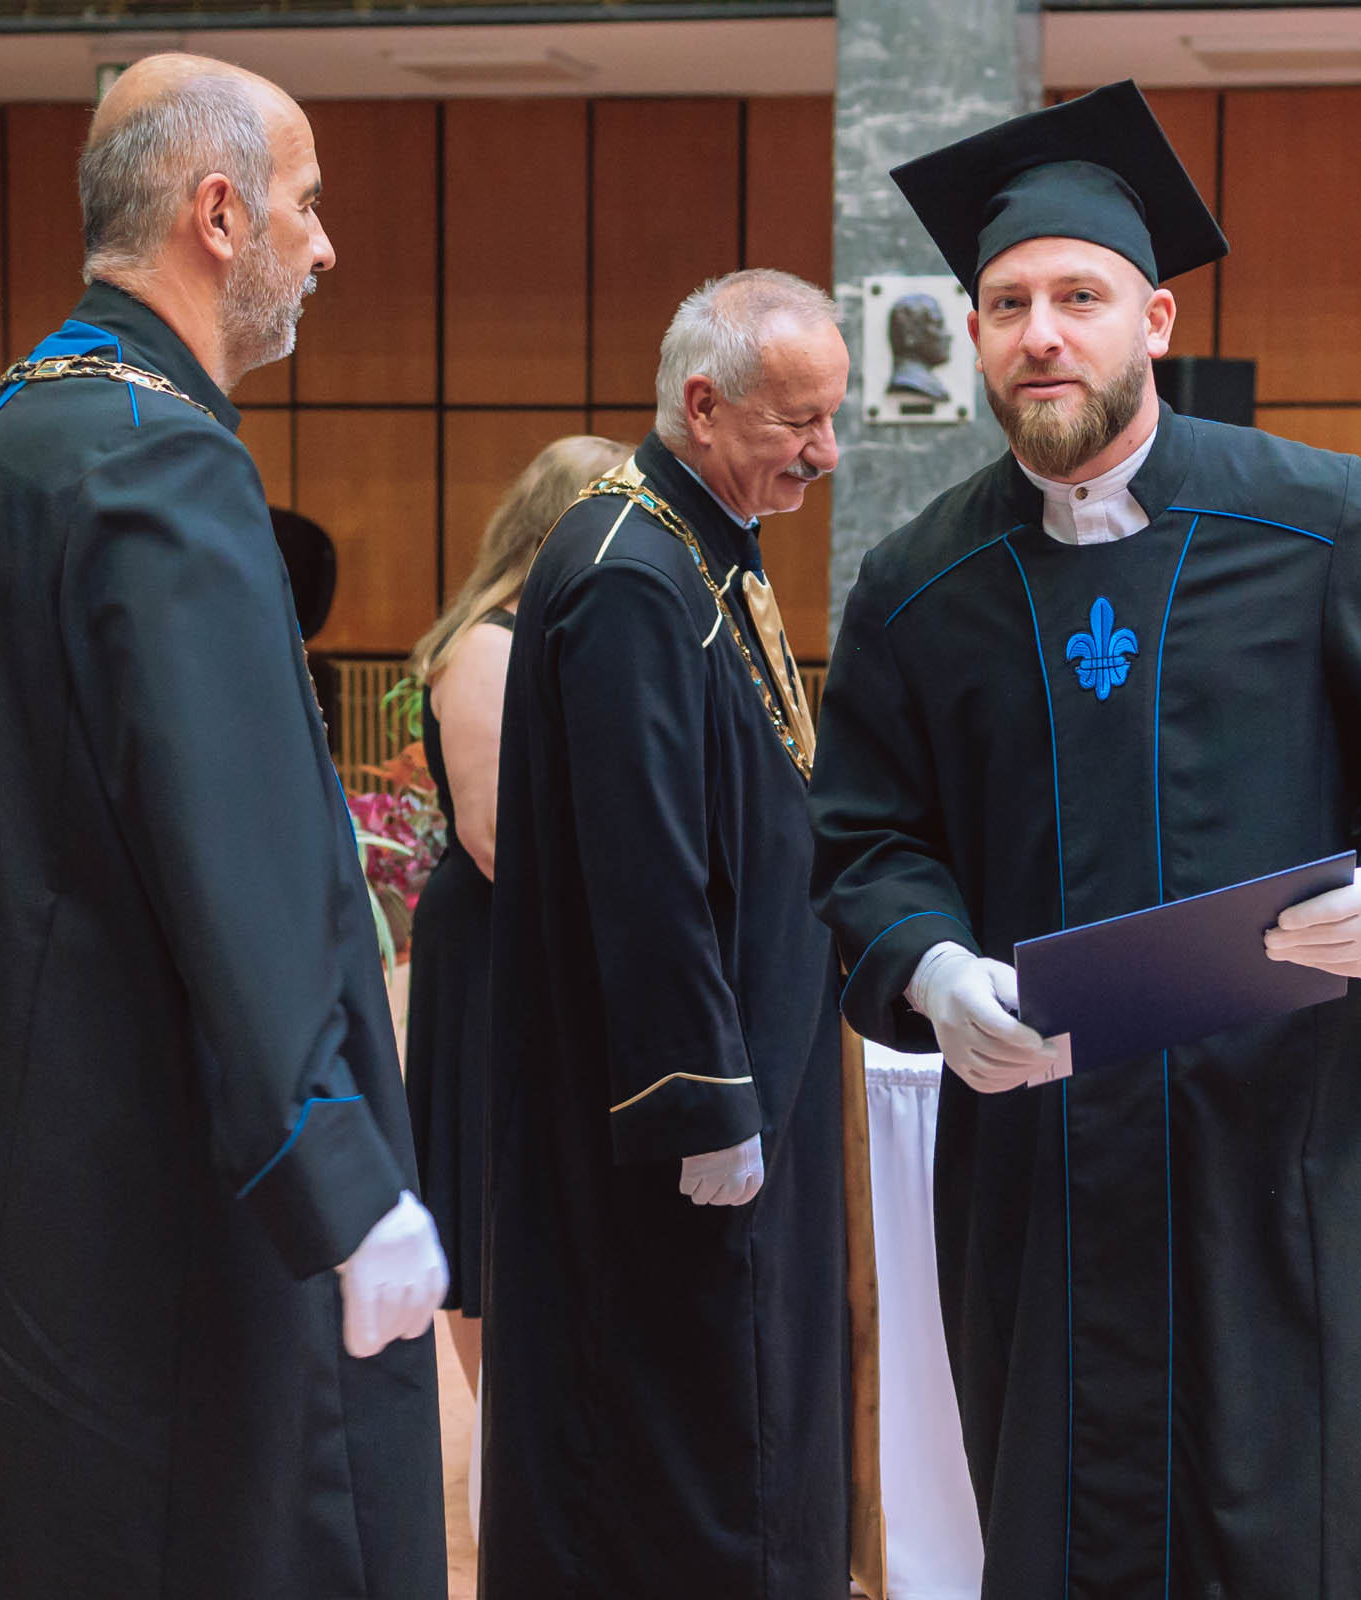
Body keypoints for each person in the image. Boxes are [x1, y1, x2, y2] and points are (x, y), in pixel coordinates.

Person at [807, 83, 1361, 1597]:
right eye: (1008, 305)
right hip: (1049, 1163)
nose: (1042, 334)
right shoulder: (917, 588)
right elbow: (866, 840)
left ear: (1156, 318)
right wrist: (932, 970)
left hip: (1296, 1141)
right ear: (973, 332)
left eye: (1079, 297)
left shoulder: (1321, 523)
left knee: (1314, 1515)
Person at [0, 55, 448, 1600]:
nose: (325, 247)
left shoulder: (25, 420)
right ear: (218, 214)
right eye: (307, 205)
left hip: (34, 1142)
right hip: (159, 1170)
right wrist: (337, 1169)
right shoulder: (161, 453)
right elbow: (226, 842)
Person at [477, 269, 851, 1599]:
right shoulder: (633, 573)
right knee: (691, 1436)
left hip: (748, 1078)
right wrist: (701, 1096)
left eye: (832, 417)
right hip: (678, 1124)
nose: (825, 452)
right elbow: (644, 866)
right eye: (798, 422)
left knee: (745, 1413)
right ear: (703, 405)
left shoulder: (696, 543)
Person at [402, 431, 630, 1389]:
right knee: (490, 1191)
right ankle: (497, 1436)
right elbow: (498, 837)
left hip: (538, 939)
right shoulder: (487, 647)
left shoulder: (545, 631)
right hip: (497, 947)